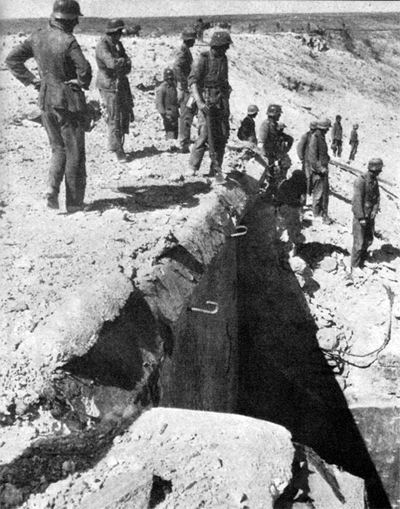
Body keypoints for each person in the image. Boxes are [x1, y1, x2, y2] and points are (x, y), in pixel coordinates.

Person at [5, 0, 92, 214]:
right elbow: (85, 70)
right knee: (74, 153)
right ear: (68, 20)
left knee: (57, 149)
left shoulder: (37, 37)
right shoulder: (68, 41)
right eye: (75, 19)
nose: (77, 23)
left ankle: (51, 190)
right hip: (68, 104)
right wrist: (81, 83)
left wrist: (34, 81)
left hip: (45, 101)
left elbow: (12, 59)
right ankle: (74, 203)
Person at [188, 31, 233, 182]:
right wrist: (200, 103)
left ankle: (216, 168)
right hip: (206, 100)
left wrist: (226, 97)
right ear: (216, 46)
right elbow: (193, 82)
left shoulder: (223, 59)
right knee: (205, 134)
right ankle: (193, 167)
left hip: (221, 101)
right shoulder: (203, 59)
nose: (225, 50)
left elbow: (224, 80)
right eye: (224, 47)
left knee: (221, 134)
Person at [95, 18, 134, 162]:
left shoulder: (117, 44)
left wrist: (123, 62)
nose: (121, 35)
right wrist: (123, 62)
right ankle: (117, 148)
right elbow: (112, 64)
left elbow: (128, 64)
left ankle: (118, 144)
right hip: (109, 85)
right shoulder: (103, 45)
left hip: (120, 83)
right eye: (119, 32)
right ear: (113, 32)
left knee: (124, 113)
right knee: (114, 116)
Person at [351, 158, 383, 274]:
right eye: (379, 170)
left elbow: (377, 197)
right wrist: (361, 217)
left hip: (370, 215)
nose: (379, 173)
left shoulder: (374, 180)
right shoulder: (361, 181)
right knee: (358, 242)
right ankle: (354, 266)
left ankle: (363, 260)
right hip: (362, 216)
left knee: (368, 239)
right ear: (374, 170)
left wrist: (374, 211)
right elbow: (357, 201)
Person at [173, 27, 197, 153]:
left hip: (186, 89)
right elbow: (176, 68)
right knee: (186, 115)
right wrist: (185, 82)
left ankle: (185, 140)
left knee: (187, 114)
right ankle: (184, 143)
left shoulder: (185, 50)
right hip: (185, 91)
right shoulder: (183, 51)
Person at [275, 170, 307, 258]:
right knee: (293, 230)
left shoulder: (284, 184)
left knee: (283, 231)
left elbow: (278, 199)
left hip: (284, 209)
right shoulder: (302, 184)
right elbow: (303, 200)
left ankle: (284, 252)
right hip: (293, 210)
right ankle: (292, 251)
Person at [307, 117, 332, 224]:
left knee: (323, 194)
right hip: (319, 172)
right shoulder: (315, 137)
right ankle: (316, 214)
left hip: (323, 170)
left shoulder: (320, 137)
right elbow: (312, 157)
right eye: (327, 128)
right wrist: (320, 168)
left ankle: (321, 214)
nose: (328, 130)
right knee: (318, 194)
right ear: (323, 128)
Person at [258, 104, 283, 191]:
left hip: (272, 154)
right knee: (265, 176)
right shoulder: (266, 124)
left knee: (273, 176)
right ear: (274, 114)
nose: (280, 116)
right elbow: (261, 142)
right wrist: (264, 157)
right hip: (266, 155)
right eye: (279, 114)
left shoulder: (274, 125)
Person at [155, 68, 179, 140]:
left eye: (171, 78)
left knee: (175, 133)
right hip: (168, 114)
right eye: (168, 78)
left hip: (174, 114)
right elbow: (159, 104)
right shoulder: (162, 89)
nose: (170, 80)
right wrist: (164, 114)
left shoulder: (173, 87)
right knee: (170, 132)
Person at [297, 120, 317, 195]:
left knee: (312, 177)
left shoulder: (316, 137)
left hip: (313, 161)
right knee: (307, 177)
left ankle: (309, 191)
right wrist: (302, 158)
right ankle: (307, 192)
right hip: (307, 160)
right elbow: (299, 147)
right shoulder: (306, 136)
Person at [275, 121, 294, 186]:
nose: (281, 130)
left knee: (283, 169)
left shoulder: (282, 136)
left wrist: (287, 148)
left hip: (281, 156)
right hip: (275, 156)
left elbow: (291, 139)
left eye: (282, 129)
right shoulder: (273, 136)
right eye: (280, 129)